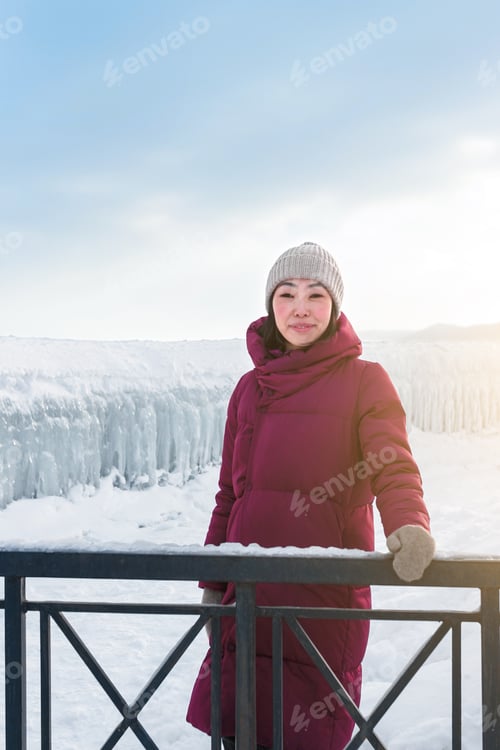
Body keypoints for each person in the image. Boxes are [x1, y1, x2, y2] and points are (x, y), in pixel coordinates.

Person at [186, 242, 435, 749]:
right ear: (271, 305)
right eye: (287, 293)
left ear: (335, 306)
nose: (300, 307)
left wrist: (408, 525)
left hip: (323, 598)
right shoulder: (248, 389)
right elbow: (230, 495)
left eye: (316, 294)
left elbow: (392, 465)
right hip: (246, 594)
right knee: (242, 730)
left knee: (306, 733)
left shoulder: (365, 380)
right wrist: (213, 580)